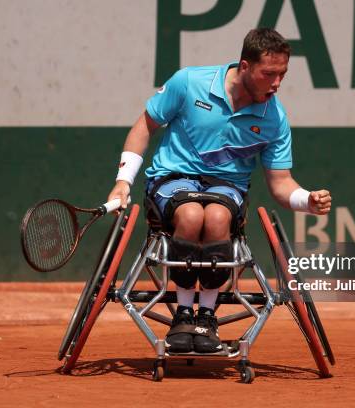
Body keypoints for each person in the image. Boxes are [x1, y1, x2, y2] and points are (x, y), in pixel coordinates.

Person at [107, 28, 332, 354]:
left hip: (227, 189)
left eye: (282, 74)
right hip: (173, 178)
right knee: (190, 213)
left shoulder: (275, 118)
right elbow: (145, 126)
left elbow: (281, 183)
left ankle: (206, 317)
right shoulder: (189, 83)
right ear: (245, 66)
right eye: (268, 73)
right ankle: (184, 313)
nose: (277, 83)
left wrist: (307, 201)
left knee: (214, 217)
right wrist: (123, 181)